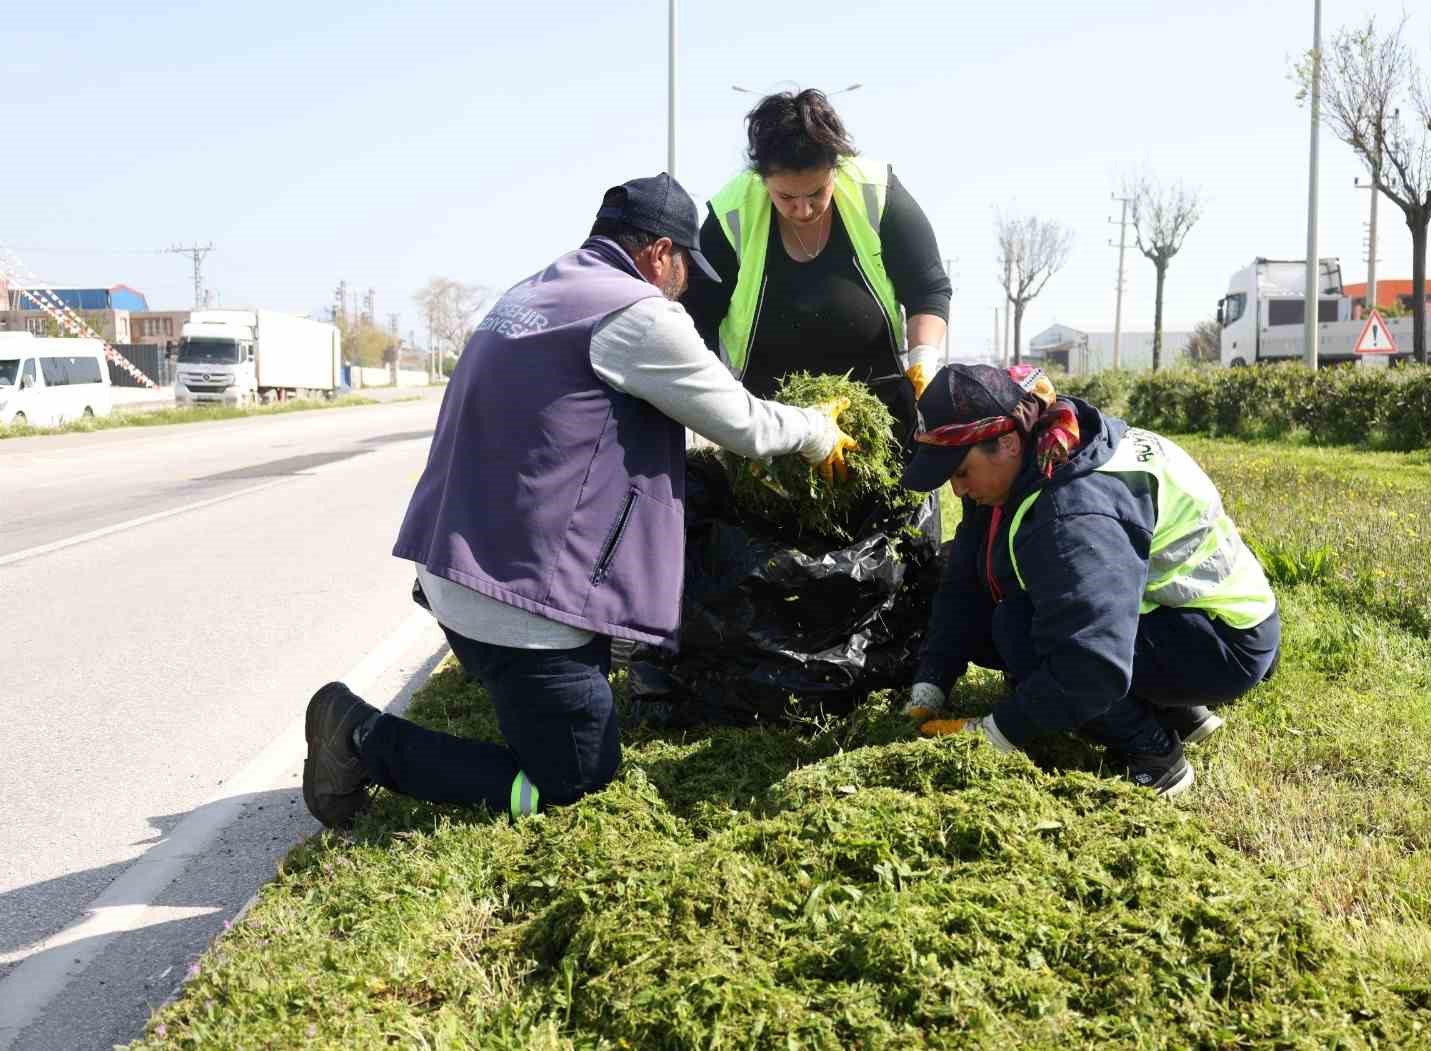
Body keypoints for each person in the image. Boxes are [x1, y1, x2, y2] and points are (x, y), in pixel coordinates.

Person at [301, 172, 858, 827]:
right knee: (577, 784)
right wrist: (819, 431)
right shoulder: (637, 313)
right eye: (685, 266)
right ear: (658, 253)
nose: (685, 283)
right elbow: (744, 423)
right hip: (518, 604)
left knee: (573, 708)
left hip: (457, 567)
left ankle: (531, 693)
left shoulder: (537, 292)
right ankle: (361, 739)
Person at [900, 364, 1280, 797]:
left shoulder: (1074, 511)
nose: (956, 490)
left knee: (1020, 632)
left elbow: (1090, 665)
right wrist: (930, 684)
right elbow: (964, 582)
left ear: (1005, 442)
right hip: (1183, 617)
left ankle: (1156, 753)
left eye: (960, 472)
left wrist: (994, 733)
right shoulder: (1035, 450)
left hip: (1224, 642)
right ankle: (1173, 707)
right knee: (1005, 606)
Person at [682, 87, 952, 447]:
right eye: (787, 198)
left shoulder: (877, 193)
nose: (804, 210)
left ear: (834, 170)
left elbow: (928, 289)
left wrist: (924, 358)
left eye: (816, 193)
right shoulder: (732, 216)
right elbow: (696, 320)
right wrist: (727, 413)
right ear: (762, 181)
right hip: (772, 431)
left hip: (879, 423)